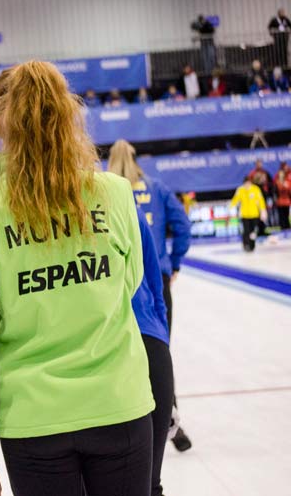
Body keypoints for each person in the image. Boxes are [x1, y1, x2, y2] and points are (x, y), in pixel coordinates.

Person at [0, 61, 154, 496]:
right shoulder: (114, 194)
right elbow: (129, 283)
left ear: (0, 125)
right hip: (119, 405)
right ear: (68, 115)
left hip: (34, 421)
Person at [107, 139, 193, 453]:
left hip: (113, 289)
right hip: (154, 284)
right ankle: (172, 422)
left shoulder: (102, 191)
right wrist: (174, 261)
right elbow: (183, 225)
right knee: (159, 353)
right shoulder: (155, 188)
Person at [133, 208, 174, 496]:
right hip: (150, 340)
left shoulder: (122, 202)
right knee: (148, 483)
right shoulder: (124, 202)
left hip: (142, 340)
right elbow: (155, 277)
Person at [231, 176, 267, 252]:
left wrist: (263, 211)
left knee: (253, 231)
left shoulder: (255, 189)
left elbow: (261, 201)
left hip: (254, 214)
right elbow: (235, 199)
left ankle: (252, 245)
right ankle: (246, 245)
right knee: (246, 231)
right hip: (245, 215)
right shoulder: (240, 190)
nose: (247, 185)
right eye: (246, 183)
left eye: (248, 183)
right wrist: (231, 206)